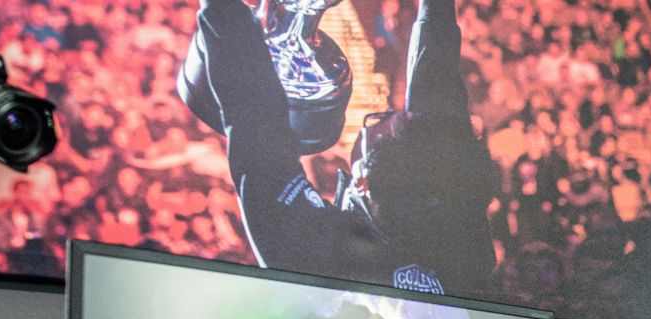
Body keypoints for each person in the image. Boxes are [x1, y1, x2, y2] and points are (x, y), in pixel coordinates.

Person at [185, 0, 497, 295]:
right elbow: (437, 77)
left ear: (362, 184)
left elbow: (254, 115)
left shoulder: (316, 260)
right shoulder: (461, 236)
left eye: (375, 125)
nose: (374, 119)